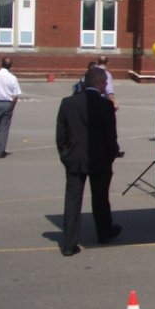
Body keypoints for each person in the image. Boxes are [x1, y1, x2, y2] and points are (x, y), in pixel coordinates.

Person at [56, 66, 122, 256]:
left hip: (74, 158)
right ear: (100, 82)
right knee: (100, 198)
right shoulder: (105, 106)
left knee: (72, 201)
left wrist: (65, 155)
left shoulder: (68, 103)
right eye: (105, 82)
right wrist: (111, 155)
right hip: (99, 158)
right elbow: (111, 136)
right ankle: (103, 232)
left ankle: (69, 243)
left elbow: (61, 134)